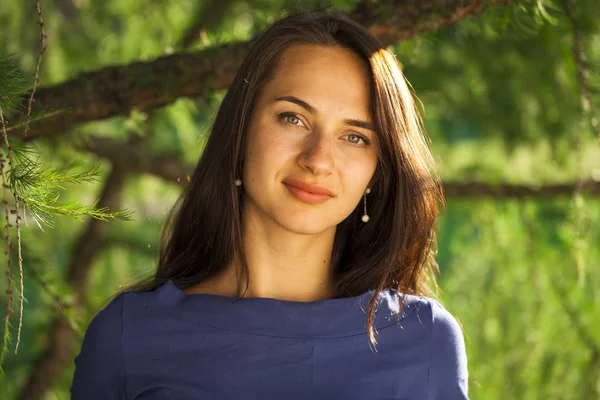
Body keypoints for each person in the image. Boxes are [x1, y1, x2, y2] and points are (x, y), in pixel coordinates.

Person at [71, 10, 469, 400]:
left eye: (355, 137)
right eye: (293, 118)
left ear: (376, 171)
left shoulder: (424, 343)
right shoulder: (130, 337)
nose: (317, 160)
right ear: (241, 127)